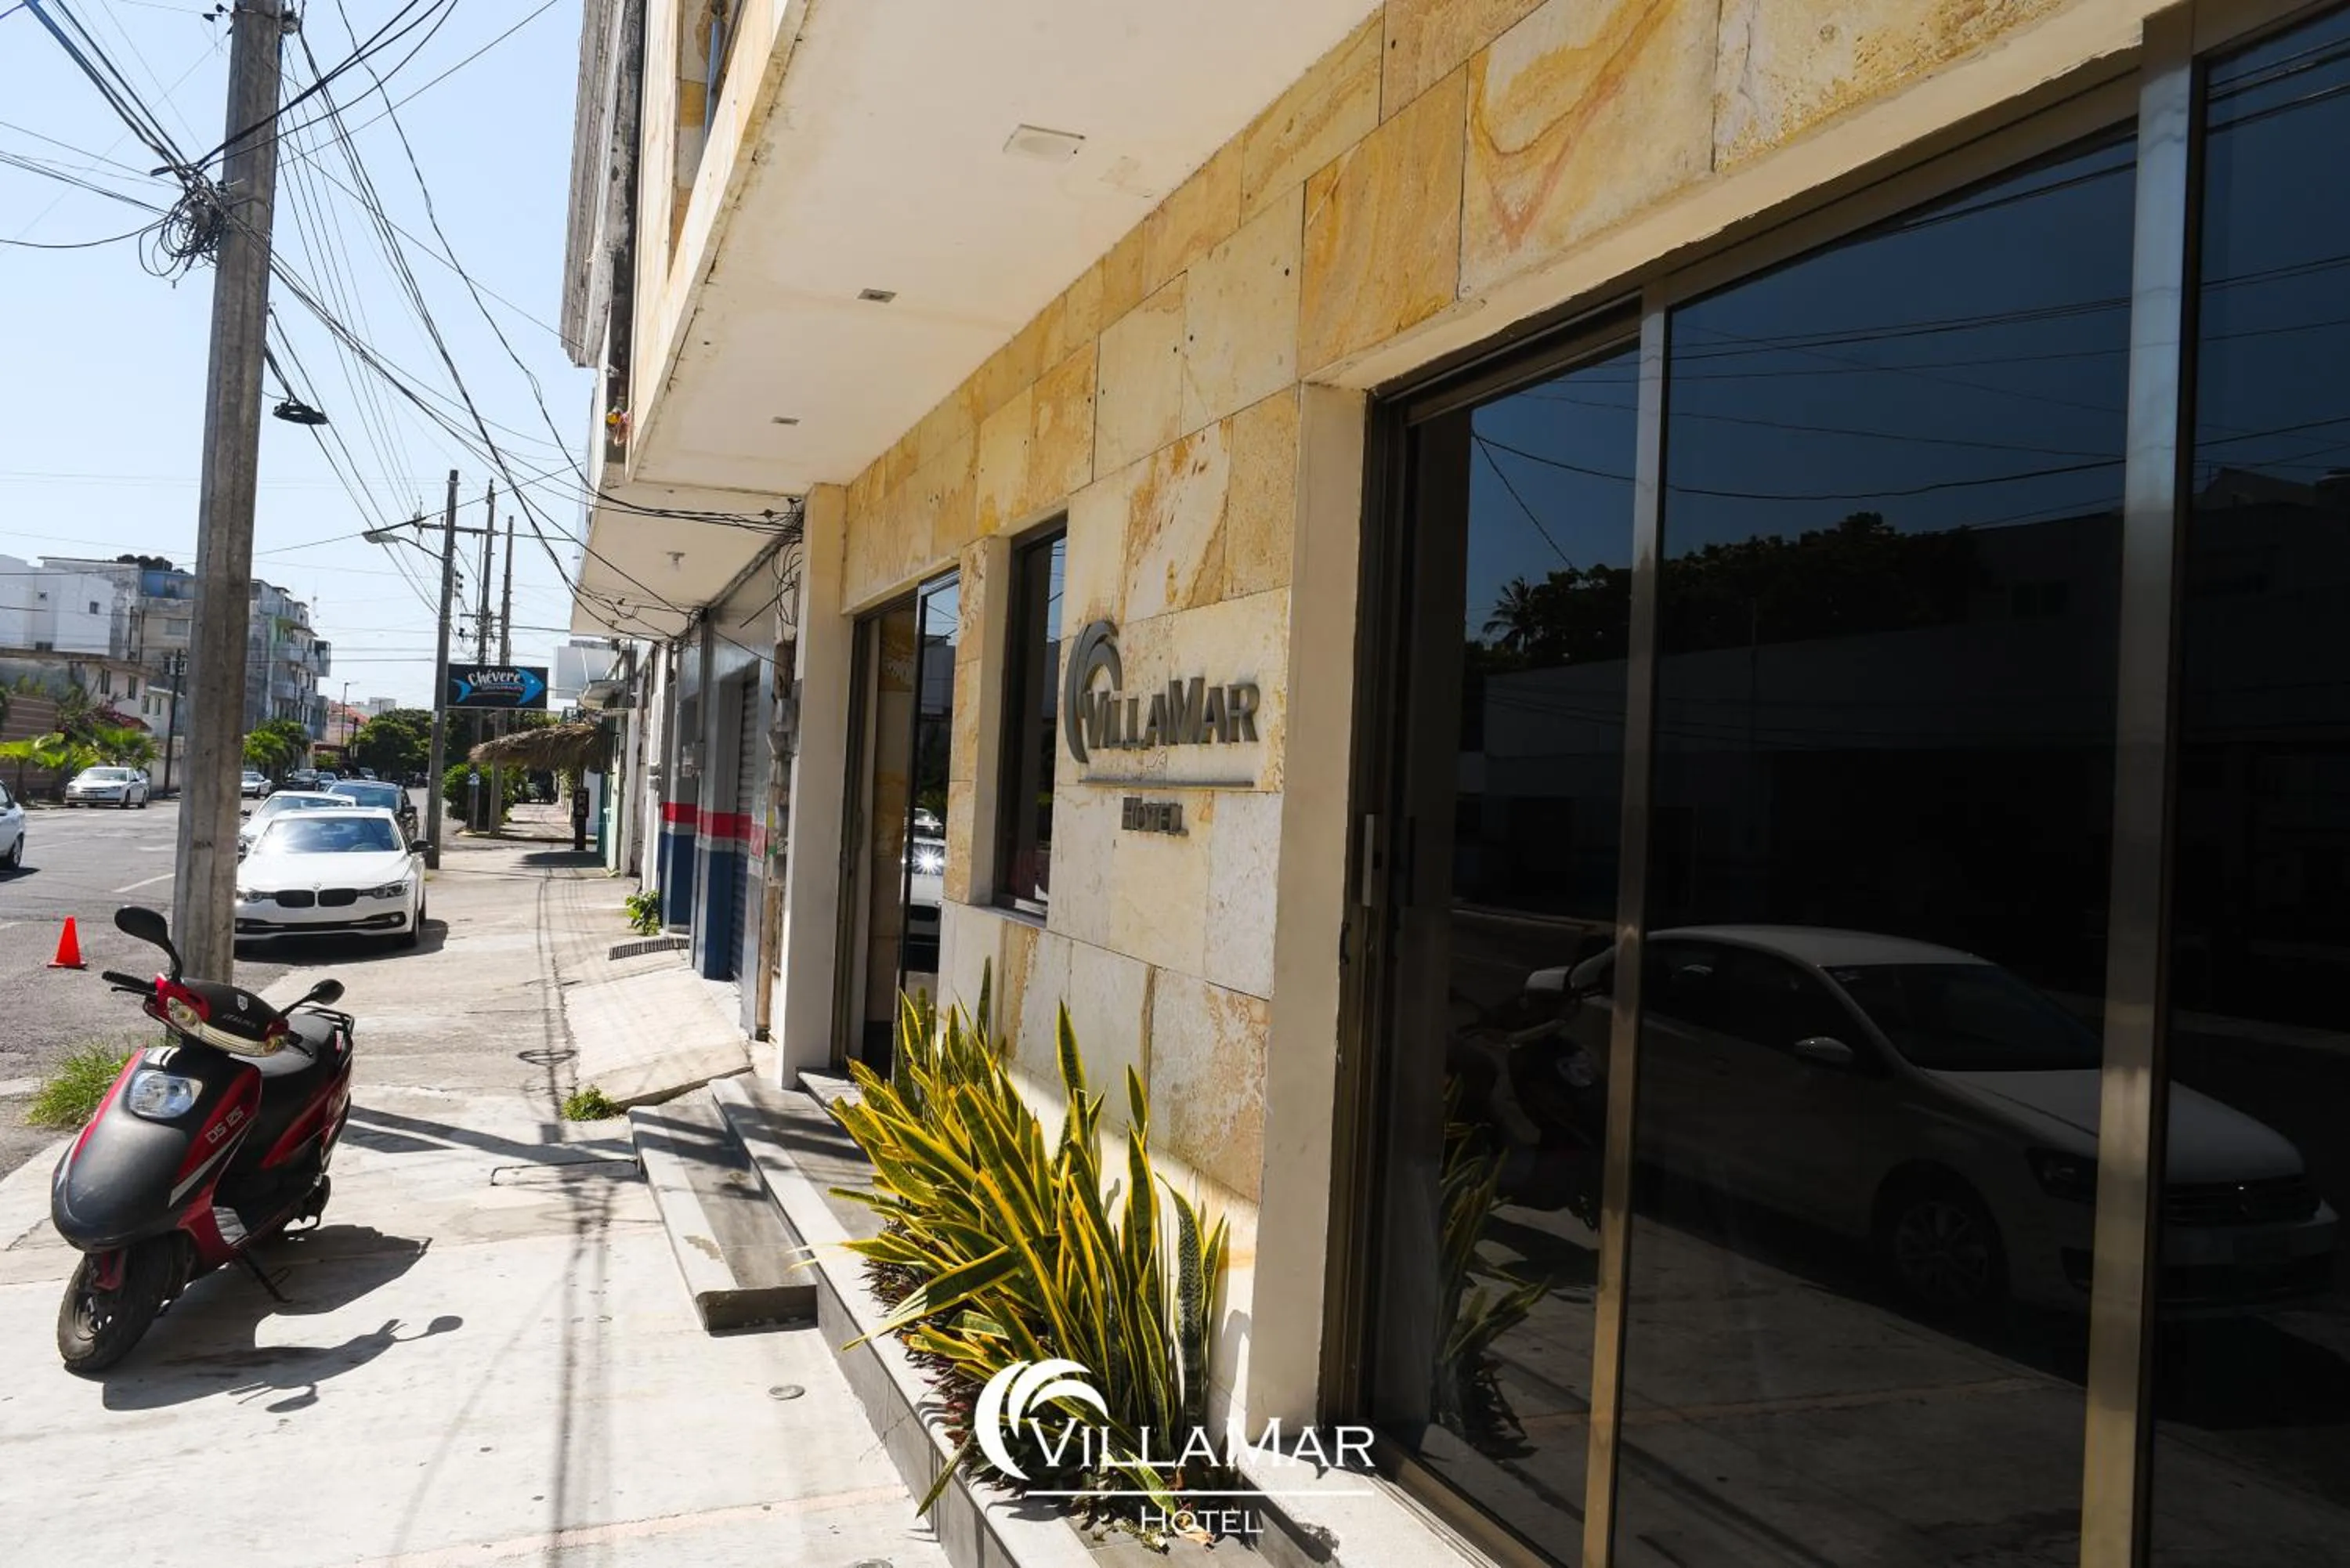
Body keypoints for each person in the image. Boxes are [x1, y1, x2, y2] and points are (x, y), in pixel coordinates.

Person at [570, 778, 589, 853]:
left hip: (581, 814)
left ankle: (580, 846)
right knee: (579, 831)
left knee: (581, 831)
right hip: (579, 814)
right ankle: (579, 846)